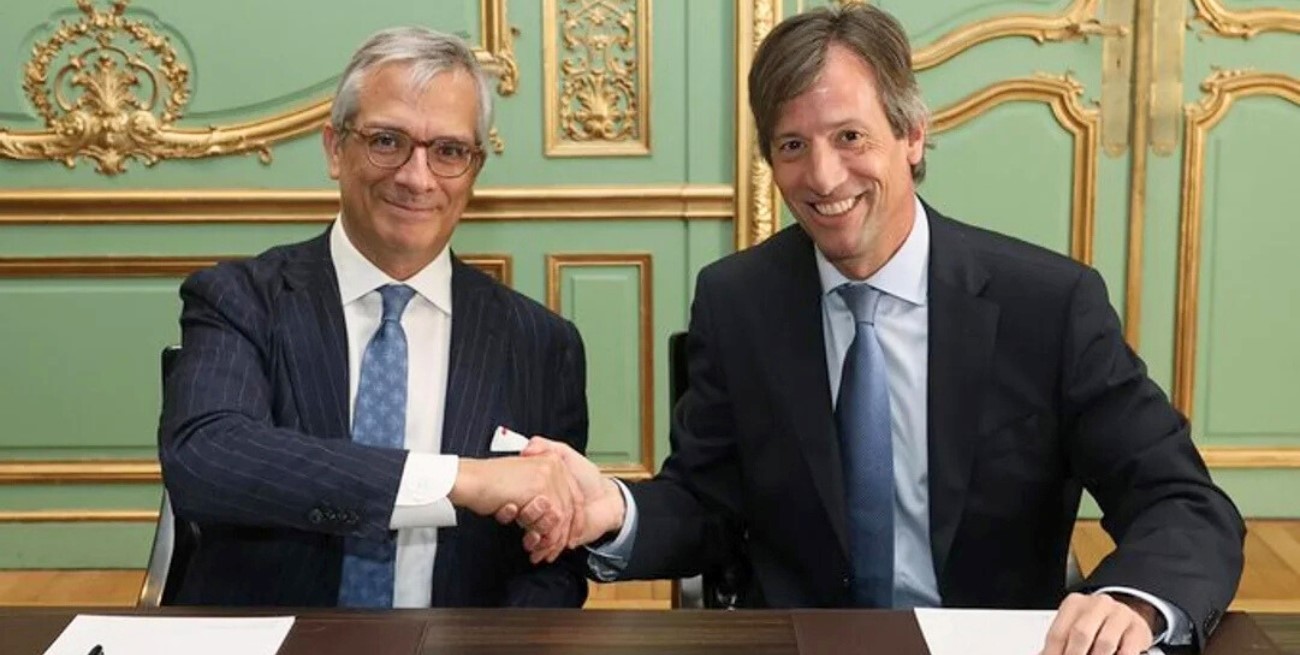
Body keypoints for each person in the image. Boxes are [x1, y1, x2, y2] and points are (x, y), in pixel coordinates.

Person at [513, 5, 1244, 654]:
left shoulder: (1048, 305)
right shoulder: (738, 302)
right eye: (792, 146)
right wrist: (613, 509)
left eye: (850, 136)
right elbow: (708, 505)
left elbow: (1182, 501)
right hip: (800, 644)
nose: (824, 177)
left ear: (913, 135)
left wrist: (1132, 601)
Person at [158, 26, 589, 608]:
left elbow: (552, 563)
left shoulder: (541, 342)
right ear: (335, 149)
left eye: (449, 151)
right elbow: (207, 459)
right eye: (387, 141)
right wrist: (461, 479)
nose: (417, 177)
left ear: (475, 169)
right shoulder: (241, 300)